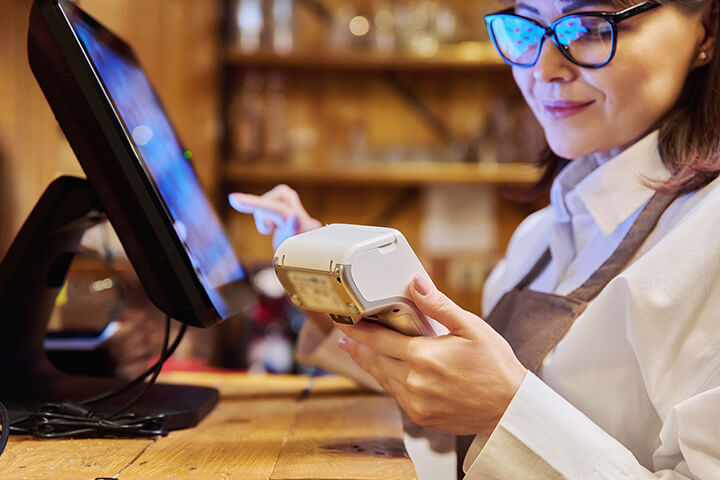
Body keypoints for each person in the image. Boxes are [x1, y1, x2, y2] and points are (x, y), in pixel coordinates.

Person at [229, 0, 720, 477]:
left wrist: (504, 410)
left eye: (590, 26)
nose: (544, 68)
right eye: (529, 27)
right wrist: (342, 295)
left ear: (707, 28)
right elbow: (462, 413)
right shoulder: (543, 232)